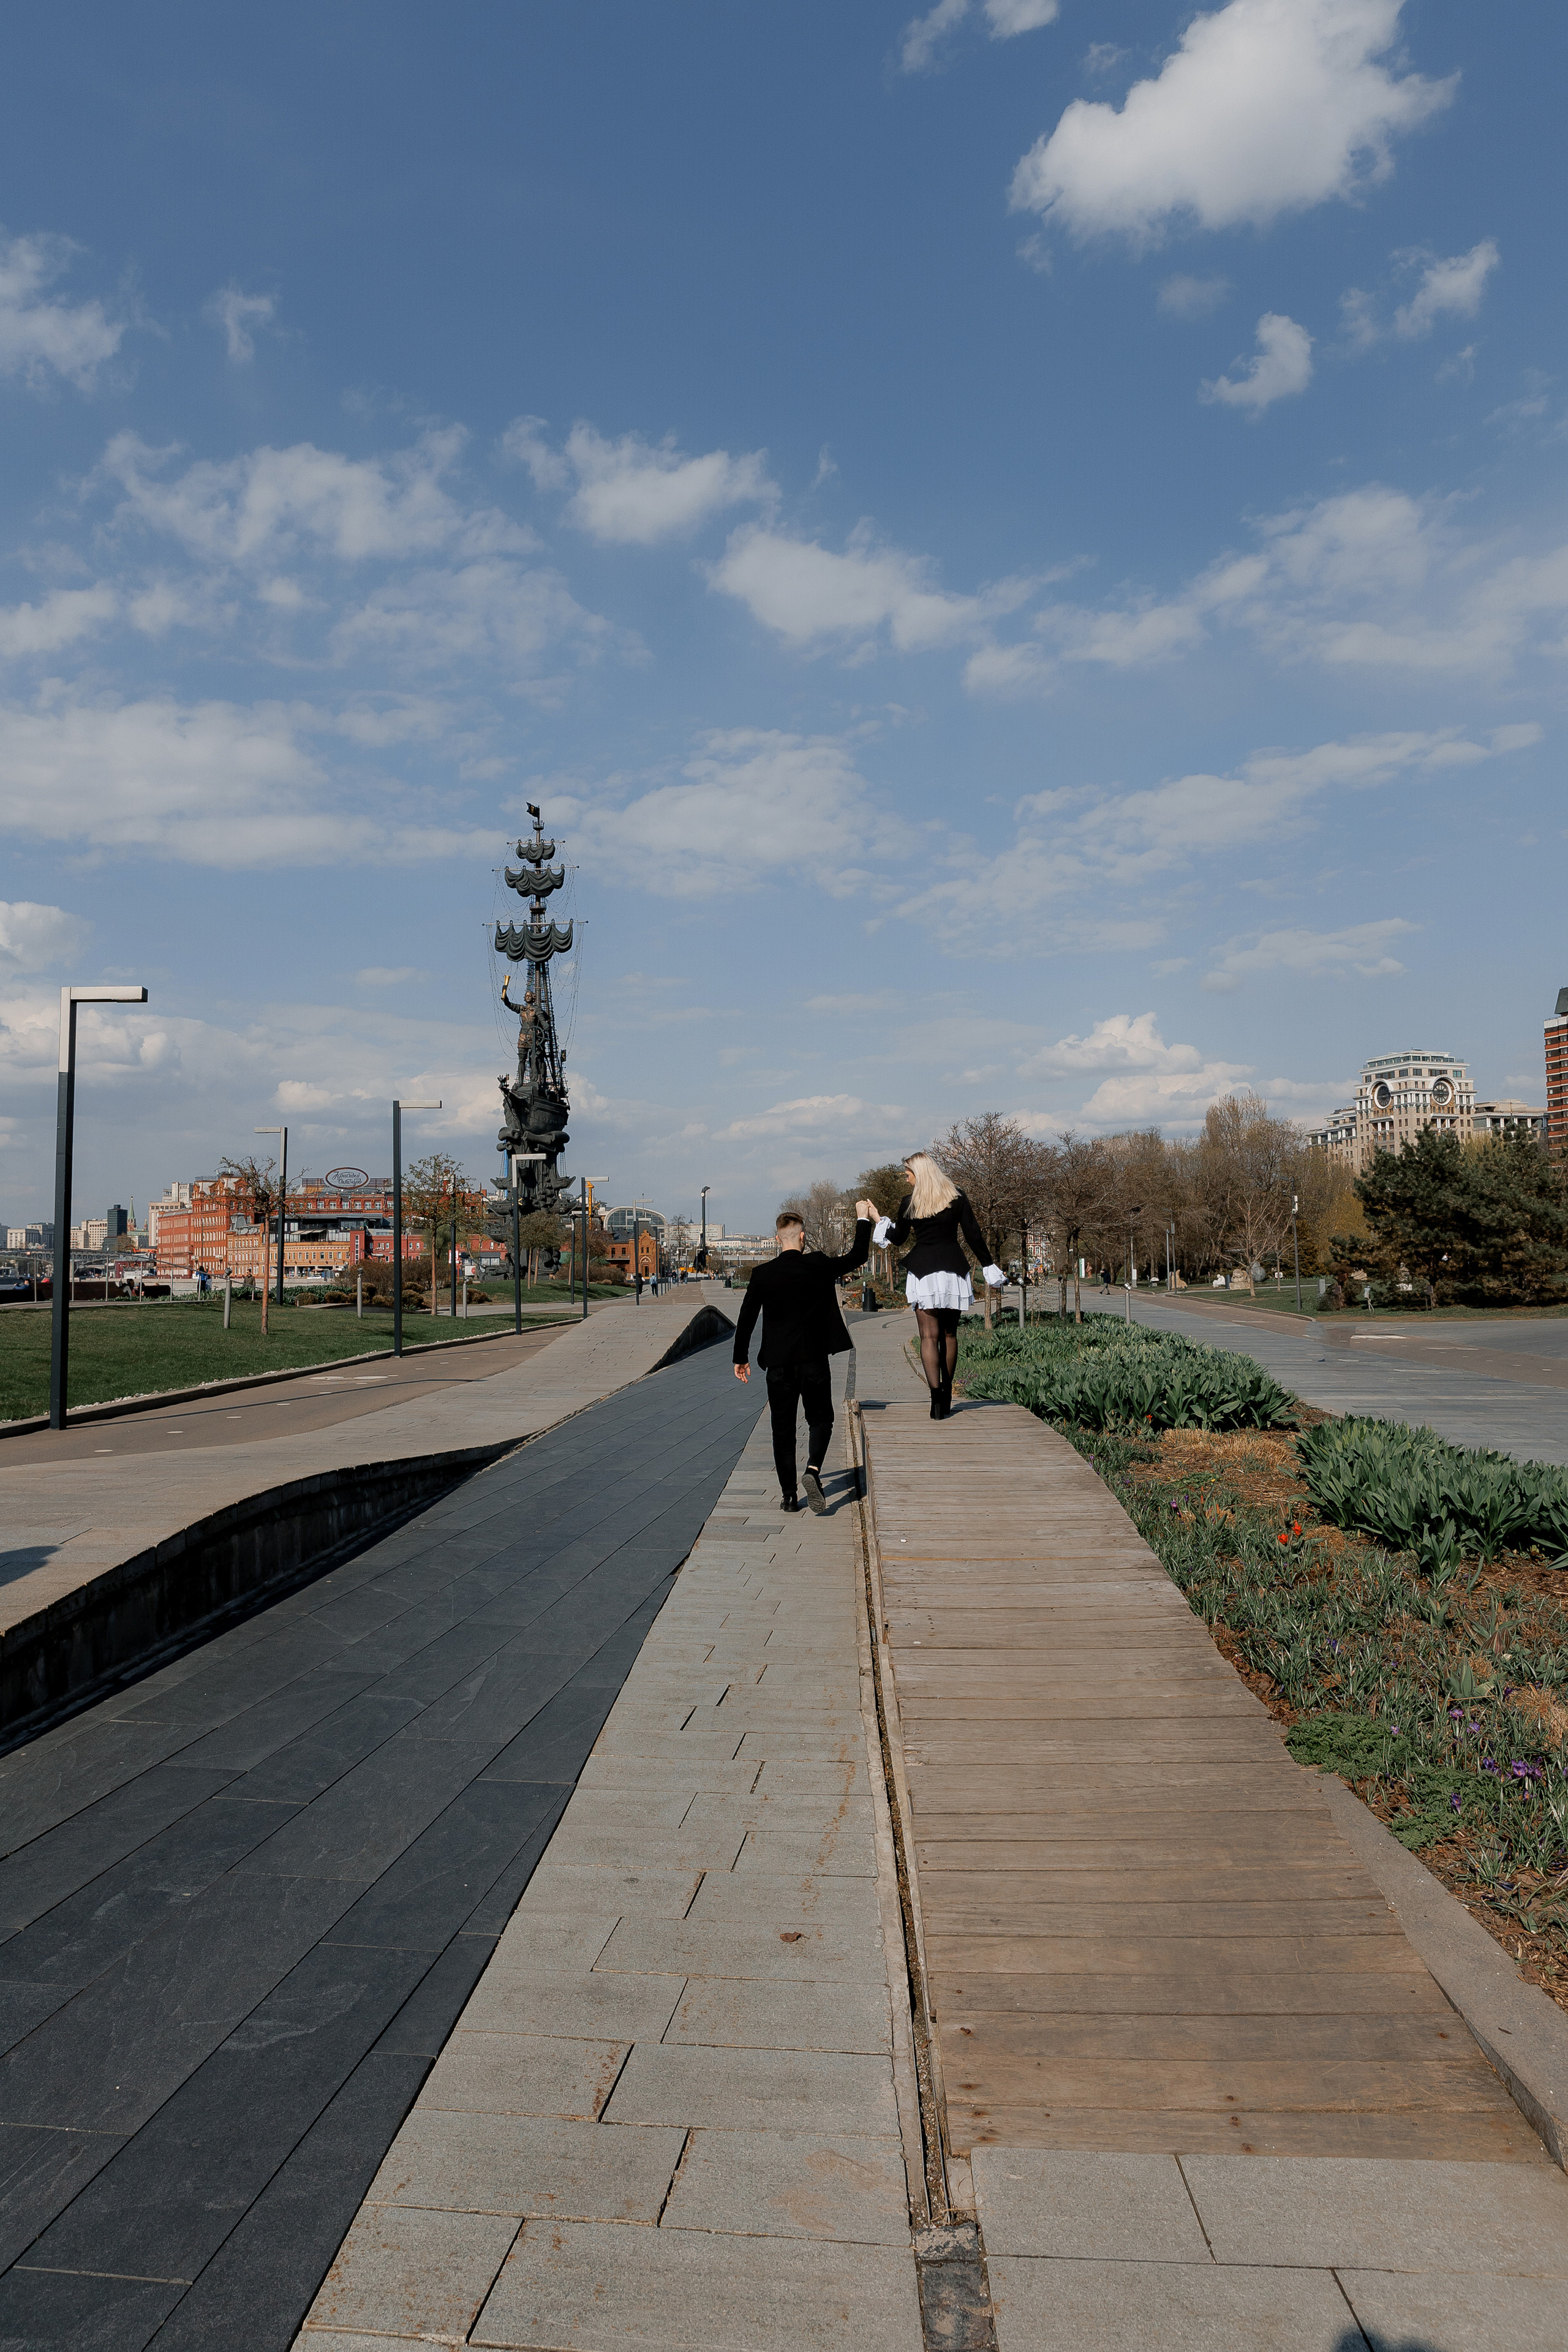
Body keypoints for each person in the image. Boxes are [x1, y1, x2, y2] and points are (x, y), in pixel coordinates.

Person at [733, 1201, 875, 1513]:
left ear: (777, 1239)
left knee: (782, 1430)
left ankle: (788, 1497)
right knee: (821, 1419)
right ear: (802, 1238)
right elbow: (858, 1256)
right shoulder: (818, 1265)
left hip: (778, 1366)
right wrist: (863, 1218)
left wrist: (740, 1357)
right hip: (813, 1361)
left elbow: (746, 1318)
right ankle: (812, 1470)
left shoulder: (762, 1275)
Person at [873, 1152, 1006, 1420]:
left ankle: (935, 1402)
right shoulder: (956, 1196)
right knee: (949, 1336)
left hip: (923, 1273)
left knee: (928, 1337)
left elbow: (897, 1239)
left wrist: (879, 1220)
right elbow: (973, 1234)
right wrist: (988, 1265)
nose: (906, 1177)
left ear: (919, 1173)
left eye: (908, 1173)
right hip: (953, 1270)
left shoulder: (910, 1202)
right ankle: (947, 1398)